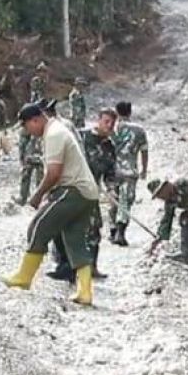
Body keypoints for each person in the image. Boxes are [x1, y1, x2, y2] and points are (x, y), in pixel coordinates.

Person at [1, 103, 100, 305]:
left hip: (73, 190)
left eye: (27, 126)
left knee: (39, 226)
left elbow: (54, 173)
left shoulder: (54, 134)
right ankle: (85, 291)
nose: (28, 132)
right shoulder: (57, 130)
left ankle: (23, 277)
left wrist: (38, 195)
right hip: (87, 193)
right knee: (75, 240)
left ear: (35, 120)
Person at [48, 108, 118, 283]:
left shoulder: (109, 146)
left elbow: (111, 172)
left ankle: (91, 266)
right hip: (72, 187)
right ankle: (64, 266)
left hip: (92, 192)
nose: (109, 126)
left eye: (112, 123)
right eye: (107, 121)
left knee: (94, 229)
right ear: (98, 120)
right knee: (65, 227)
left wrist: (111, 190)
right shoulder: (81, 138)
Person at [108, 101, 148, 246]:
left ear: (117, 112)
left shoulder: (111, 127)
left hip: (112, 170)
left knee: (113, 199)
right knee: (126, 201)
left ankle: (112, 230)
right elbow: (144, 151)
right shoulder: (139, 130)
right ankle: (121, 231)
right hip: (130, 171)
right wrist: (144, 169)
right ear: (130, 112)